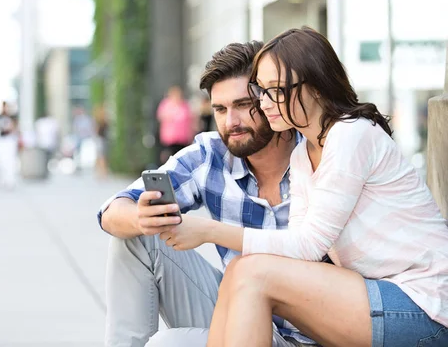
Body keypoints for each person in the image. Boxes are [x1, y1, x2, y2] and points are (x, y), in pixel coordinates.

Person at [207, 27, 448, 347]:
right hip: (379, 296)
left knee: (253, 274)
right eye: (260, 90)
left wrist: (206, 231)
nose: (264, 103)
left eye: (276, 90)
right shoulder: (302, 155)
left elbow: (309, 245)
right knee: (240, 268)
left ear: (316, 87)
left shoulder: (351, 135)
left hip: (425, 308)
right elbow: (297, 251)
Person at [98, 42, 320, 347]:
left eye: (243, 105)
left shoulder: (317, 155)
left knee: (167, 345)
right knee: (138, 234)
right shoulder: (211, 155)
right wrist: (141, 215)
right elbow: (111, 212)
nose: (231, 122)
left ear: (271, 100)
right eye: (220, 109)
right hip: (236, 313)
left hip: (311, 335)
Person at [156, 85, 194, 164]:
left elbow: (190, 120)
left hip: (183, 139)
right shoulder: (166, 104)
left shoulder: (185, 105)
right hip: (169, 139)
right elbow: (161, 116)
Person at [0, 101, 19, 189]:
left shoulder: (12, 117)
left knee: (10, 161)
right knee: (2, 161)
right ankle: (3, 180)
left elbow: (14, 128)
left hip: (9, 140)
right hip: (2, 140)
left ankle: (10, 181)